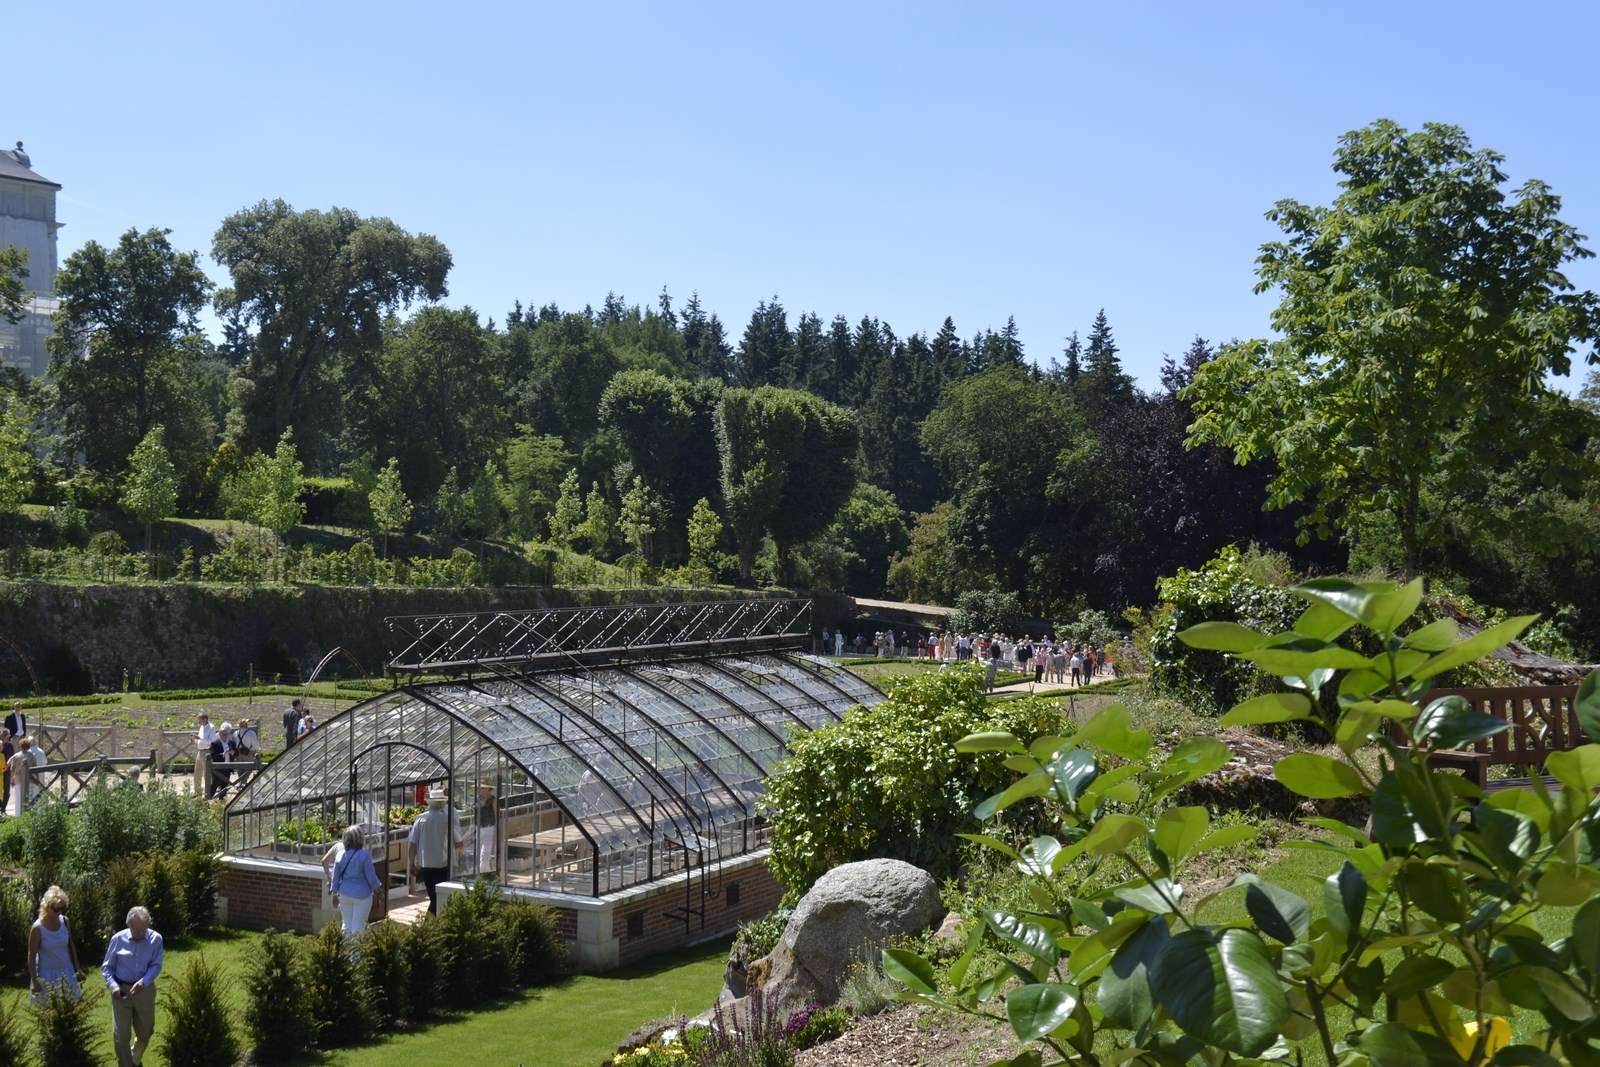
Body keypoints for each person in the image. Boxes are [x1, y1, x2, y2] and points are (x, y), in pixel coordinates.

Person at [101, 905, 164, 1067]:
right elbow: (107, 967)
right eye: (136, 930)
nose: (140, 934)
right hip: (121, 991)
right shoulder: (118, 939)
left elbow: (156, 965)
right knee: (121, 1036)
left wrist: (144, 982)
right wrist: (113, 986)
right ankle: (127, 1064)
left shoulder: (156, 939)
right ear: (129, 926)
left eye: (144, 929)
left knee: (146, 1031)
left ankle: (134, 1058)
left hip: (145, 990)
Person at [29, 885, 83, 1003]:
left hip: (67, 972)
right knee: (49, 1012)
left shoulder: (65, 921)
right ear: (46, 906)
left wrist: (77, 968)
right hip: (46, 975)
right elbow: (32, 955)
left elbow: (70, 945)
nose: (58, 912)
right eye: (55, 909)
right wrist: (35, 980)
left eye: (61, 908)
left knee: (71, 1009)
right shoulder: (37, 928)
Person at [328, 825, 382, 935]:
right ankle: (356, 952)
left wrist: (334, 894)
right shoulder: (364, 856)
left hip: (344, 894)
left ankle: (345, 949)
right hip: (362, 896)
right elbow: (371, 878)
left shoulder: (340, 855)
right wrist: (379, 892)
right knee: (358, 926)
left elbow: (335, 878)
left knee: (346, 924)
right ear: (360, 839)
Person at [409, 788, 455, 914]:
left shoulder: (420, 818)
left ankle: (430, 927)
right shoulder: (447, 819)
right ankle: (428, 926)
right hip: (443, 863)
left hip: (425, 864)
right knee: (438, 898)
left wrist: (411, 863)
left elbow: (412, 843)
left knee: (433, 896)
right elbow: (458, 841)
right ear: (442, 803)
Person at [206, 724, 237, 799]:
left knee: (225, 786)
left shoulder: (231, 743)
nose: (225, 735)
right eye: (223, 733)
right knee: (214, 785)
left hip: (228, 768)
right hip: (218, 768)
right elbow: (212, 755)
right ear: (219, 733)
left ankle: (221, 802)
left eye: (227, 734)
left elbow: (237, 753)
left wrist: (233, 752)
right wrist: (222, 754)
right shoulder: (215, 743)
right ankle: (207, 800)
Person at [192, 713, 217, 796]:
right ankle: (197, 793)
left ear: (205, 719)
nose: (198, 721)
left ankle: (208, 793)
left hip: (207, 752)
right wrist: (195, 740)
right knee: (197, 773)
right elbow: (200, 741)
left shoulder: (212, 727)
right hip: (200, 751)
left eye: (199, 719)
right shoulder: (201, 727)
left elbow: (211, 741)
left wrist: (199, 738)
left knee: (206, 774)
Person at [476, 783, 498, 875]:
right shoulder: (478, 799)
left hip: (489, 827)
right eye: (481, 788)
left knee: (485, 852)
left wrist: (497, 828)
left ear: (489, 789)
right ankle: (486, 872)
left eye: (483, 788)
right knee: (479, 851)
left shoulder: (493, 800)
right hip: (479, 827)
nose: (481, 790)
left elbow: (496, 814)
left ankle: (481, 873)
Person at [7, 737, 32, 815]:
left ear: (20, 746)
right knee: (28, 798)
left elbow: (11, 767)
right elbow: (35, 768)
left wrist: (12, 780)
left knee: (18, 799)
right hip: (29, 779)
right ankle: (27, 815)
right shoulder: (31, 755)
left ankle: (18, 816)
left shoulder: (16, 756)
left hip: (18, 779)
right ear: (28, 746)